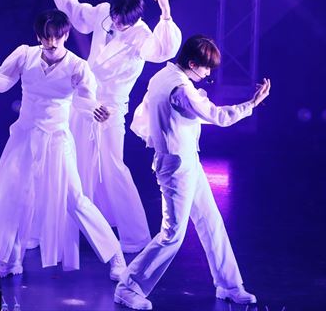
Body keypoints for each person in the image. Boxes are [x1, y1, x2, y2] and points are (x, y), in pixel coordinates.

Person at [113, 35, 272, 310]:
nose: (208, 74)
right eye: (206, 68)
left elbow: (145, 116)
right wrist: (252, 104)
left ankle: (229, 284)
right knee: (172, 235)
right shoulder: (181, 89)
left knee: (211, 222)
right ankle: (128, 287)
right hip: (176, 165)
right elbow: (218, 117)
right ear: (192, 64)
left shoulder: (163, 76)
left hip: (185, 160)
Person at [0, 10, 126, 280]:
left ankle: (116, 257)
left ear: (66, 35)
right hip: (24, 136)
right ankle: (9, 260)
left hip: (57, 139)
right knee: (10, 194)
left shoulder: (77, 66)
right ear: (38, 36)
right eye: (46, 37)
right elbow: (2, 81)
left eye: (57, 37)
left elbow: (85, 101)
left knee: (75, 200)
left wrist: (96, 110)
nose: (51, 42)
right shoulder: (25, 55)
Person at [43, 0, 181, 253]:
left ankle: (135, 236)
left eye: (122, 23)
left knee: (112, 165)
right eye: (116, 19)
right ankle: (72, 228)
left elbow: (162, 50)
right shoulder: (105, 12)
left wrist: (166, 13)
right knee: (72, 160)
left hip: (111, 106)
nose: (117, 24)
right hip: (83, 99)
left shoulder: (142, 36)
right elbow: (78, 12)